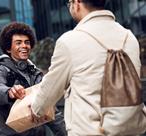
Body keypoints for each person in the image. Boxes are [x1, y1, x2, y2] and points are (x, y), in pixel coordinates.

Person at [27, 0, 146, 135]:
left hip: (90, 130)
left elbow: (50, 89)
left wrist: (36, 110)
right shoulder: (129, 37)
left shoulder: (69, 41)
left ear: (77, 3)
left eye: (69, 3)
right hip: (130, 130)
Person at [0, 22, 66, 136]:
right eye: (18, 43)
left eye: (27, 42)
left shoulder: (36, 74)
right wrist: (9, 92)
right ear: (8, 49)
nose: (24, 46)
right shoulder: (1, 69)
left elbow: (50, 108)